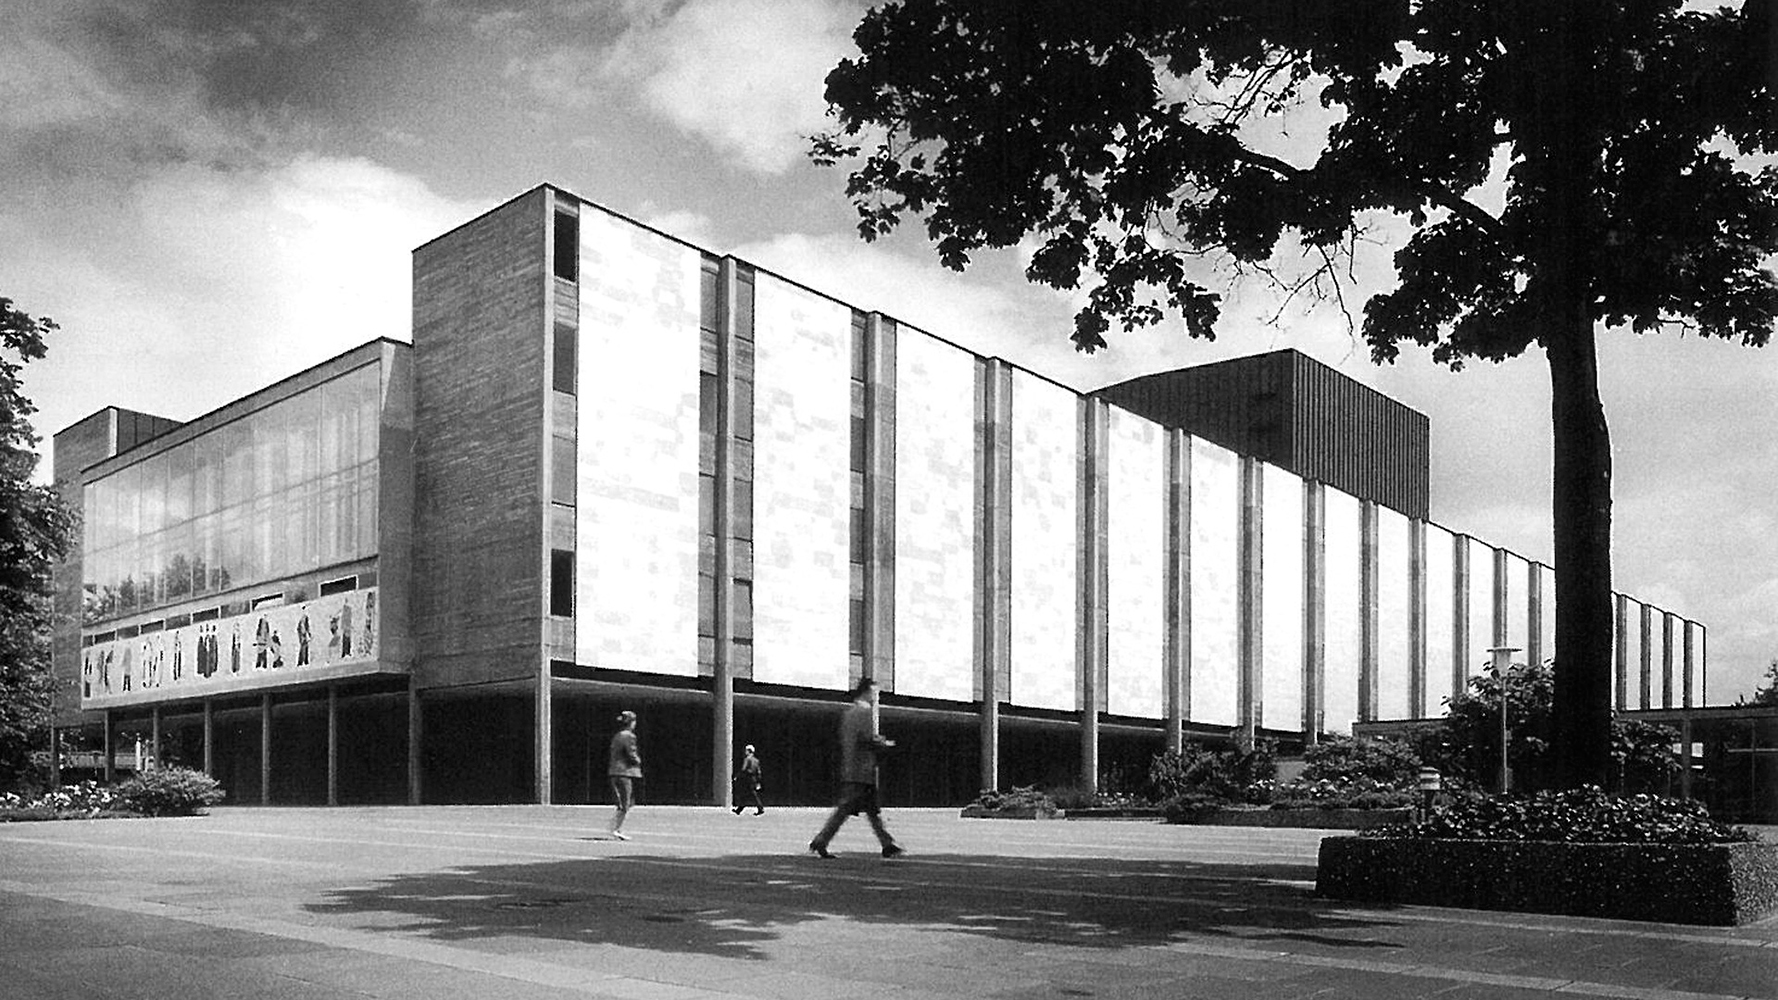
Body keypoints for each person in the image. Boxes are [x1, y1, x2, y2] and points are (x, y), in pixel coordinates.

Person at [809, 678, 903, 858]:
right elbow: (867, 739)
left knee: (870, 810)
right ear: (867, 691)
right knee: (847, 810)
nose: (876, 697)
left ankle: (887, 843)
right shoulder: (864, 711)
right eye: (875, 693)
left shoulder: (849, 713)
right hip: (862, 770)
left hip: (852, 768)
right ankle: (821, 840)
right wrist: (885, 744)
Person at [606, 710, 642, 840]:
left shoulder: (617, 736)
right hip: (624, 772)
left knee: (624, 802)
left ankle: (614, 827)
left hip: (615, 771)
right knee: (625, 803)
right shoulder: (629, 736)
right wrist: (638, 760)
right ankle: (615, 829)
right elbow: (631, 753)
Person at [732, 744, 764, 815]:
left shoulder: (747, 759)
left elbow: (743, 769)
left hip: (747, 779)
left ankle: (760, 808)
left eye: (746, 750)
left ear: (749, 751)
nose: (745, 752)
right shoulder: (756, 760)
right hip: (754, 779)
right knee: (748, 794)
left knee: (749, 794)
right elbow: (758, 771)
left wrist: (737, 776)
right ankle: (739, 809)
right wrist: (758, 781)